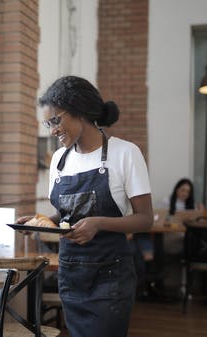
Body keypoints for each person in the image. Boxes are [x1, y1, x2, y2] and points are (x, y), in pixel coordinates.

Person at [23, 75, 153, 337]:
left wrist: (99, 223)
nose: (52, 130)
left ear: (79, 111)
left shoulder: (125, 153)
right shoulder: (59, 160)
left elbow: (145, 219)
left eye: (56, 120)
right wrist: (41, 221)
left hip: (110, 277)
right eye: (48, 123)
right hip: (71, 273)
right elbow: (66, 214)